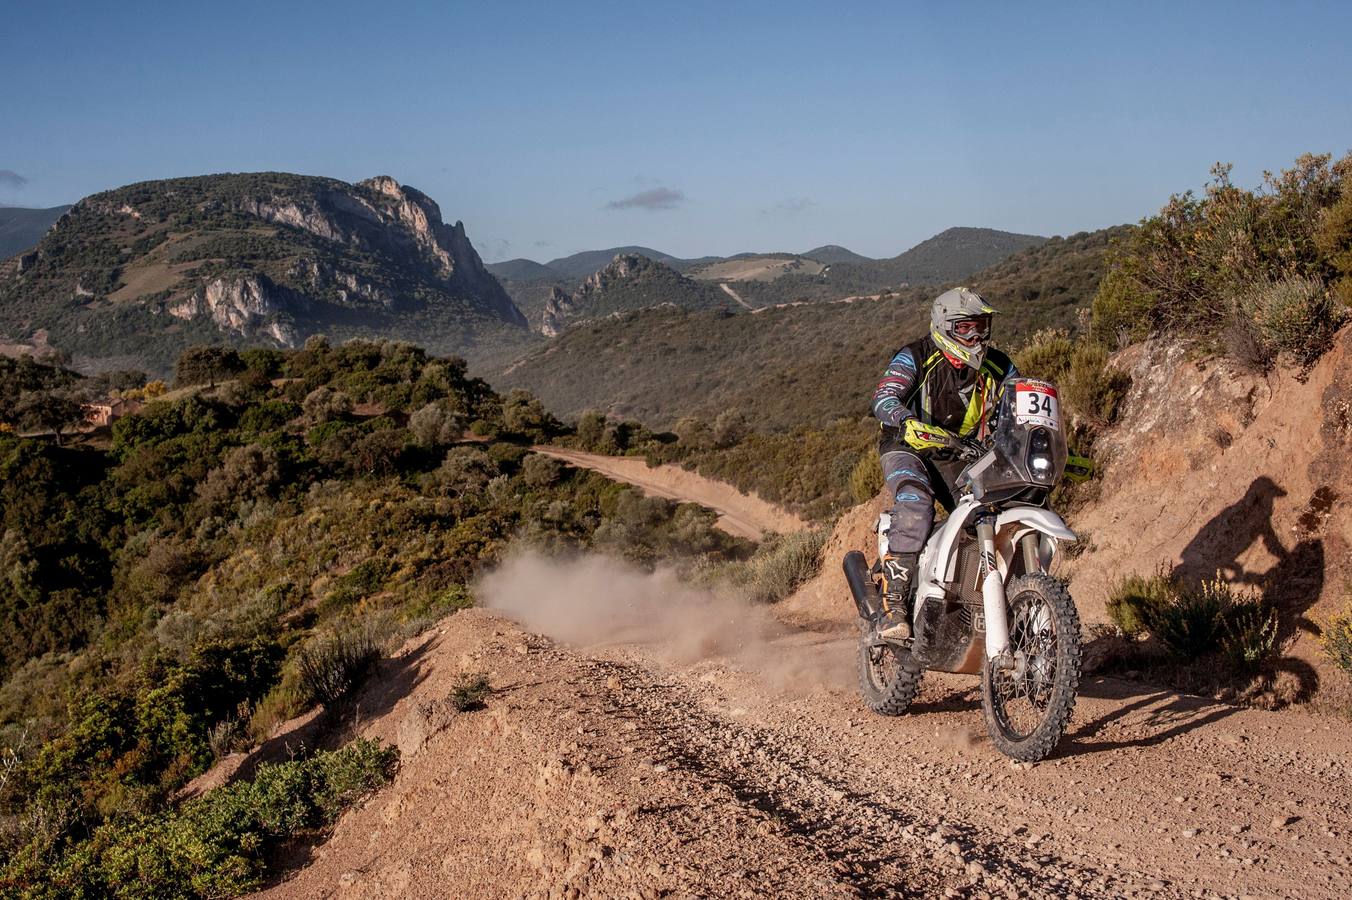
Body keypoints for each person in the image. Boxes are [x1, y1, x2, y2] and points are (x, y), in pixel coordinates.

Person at [870, 287, 1017, 639]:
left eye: (982, 326)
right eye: (967, 328)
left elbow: (1020, 404)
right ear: (945, 326)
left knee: (989, 514)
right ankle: (894, 605)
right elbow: (884, 396)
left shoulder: (999, 365)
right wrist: (905, 420)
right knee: (917, 503)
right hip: (908, 446)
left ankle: (982, 604)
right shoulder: (916, 356)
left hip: (961, 454)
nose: (977, 335)